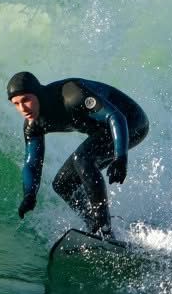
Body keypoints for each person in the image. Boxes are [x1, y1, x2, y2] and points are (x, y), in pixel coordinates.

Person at [8, 71, 149, 241]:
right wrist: (29, 195)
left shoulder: (71, 94)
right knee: (62, 183)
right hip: (103, 130)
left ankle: (104, 229)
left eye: (26, 100)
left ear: (38, 94)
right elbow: (32, 163)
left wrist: (121, 158)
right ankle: (94, 227)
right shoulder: (33, 125)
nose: (22, 108)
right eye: (16, 104)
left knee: (83, 159)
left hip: (131, 122)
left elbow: (115, 116)